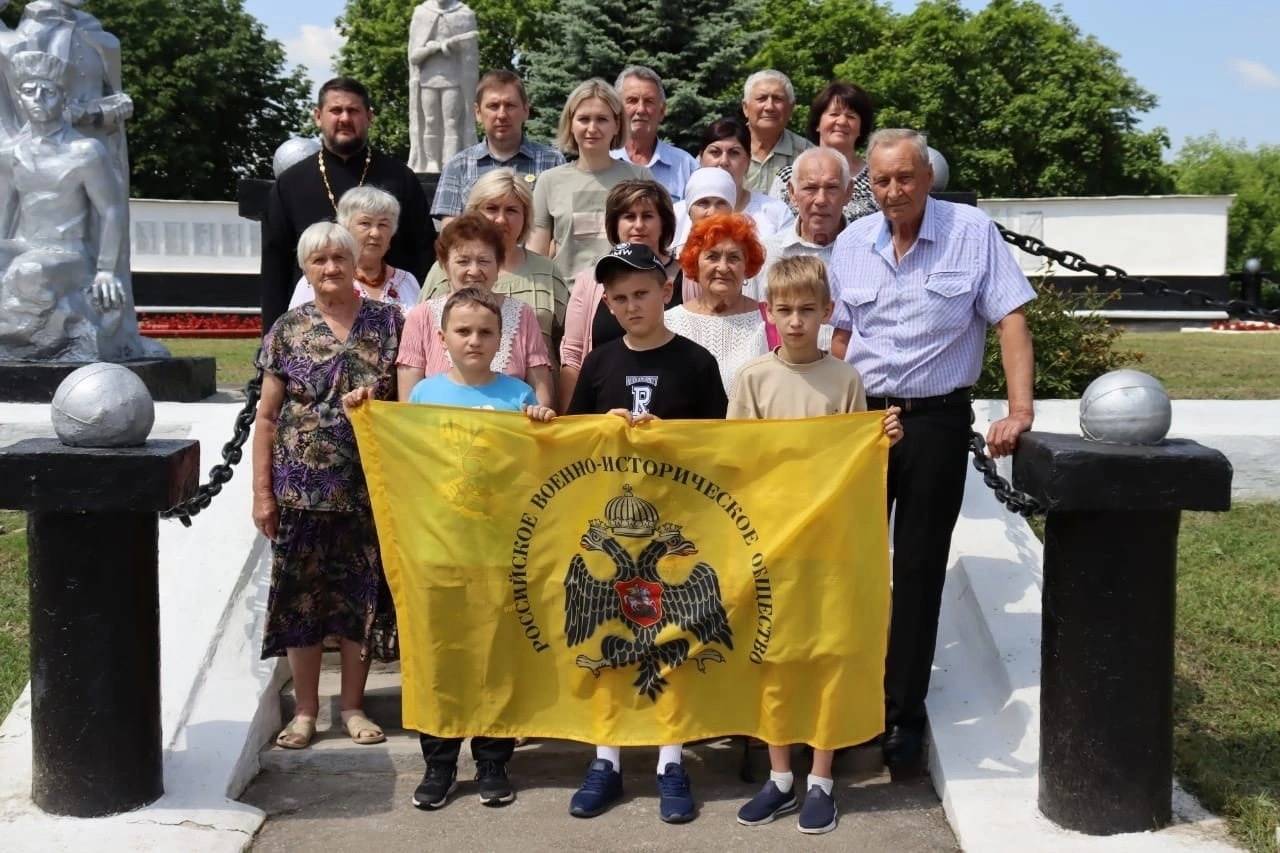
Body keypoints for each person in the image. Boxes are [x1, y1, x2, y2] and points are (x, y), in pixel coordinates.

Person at [829, 128, 1035, 773]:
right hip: (864, 422)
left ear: (927, 178)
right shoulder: (850, 243)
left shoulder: (972, 233)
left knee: (919, 569)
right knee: (853, 567)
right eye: (882, 180)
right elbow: (840, 339)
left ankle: (903, 715)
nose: (894, 191)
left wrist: (1020, 410)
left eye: (905, 178)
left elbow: (1011, 319)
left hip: (936, 421)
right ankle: (852, 702)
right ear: (868, 184)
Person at [343, 286, 553, 810]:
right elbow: (401, 455)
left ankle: (492, 761)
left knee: (495, 656)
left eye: (485, 332)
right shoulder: (423, 396)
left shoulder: (518, 396)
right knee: (438, 655)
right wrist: (364, 412)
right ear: (442, 338)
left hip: (498, 551)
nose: (474, 340)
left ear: (501, 340)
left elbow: (537, 472)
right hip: (437, 548)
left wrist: (543, 430)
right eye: (463, 331)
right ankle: (439, 763)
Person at [730, 255, 902, 834]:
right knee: (775, 656)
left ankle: (822, 778)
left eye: (808, 309)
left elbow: (855, 463)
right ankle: (780, 776)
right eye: (785, 310)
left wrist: (880, 438)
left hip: (829, 546)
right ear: (768, 313)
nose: (797, 320)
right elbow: (736, 460)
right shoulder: (753, 379)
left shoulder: (846, 380)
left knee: (828, 654)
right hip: (773, 543)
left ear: (828, 312)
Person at [565, 242, 727, 824]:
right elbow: (570, 442)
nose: (632, 305)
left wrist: (671, 438)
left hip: (676, 529)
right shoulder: (599, 362)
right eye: (620, 298)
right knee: (607, 640)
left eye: (641, 293)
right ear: (607, 304)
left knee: (670, 642)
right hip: (612, 529)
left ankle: (670, 761)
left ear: (667, 290)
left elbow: (720, 446)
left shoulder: (697, 362)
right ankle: (605, 758)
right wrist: (599, 427)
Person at [252, 221, 403, 753]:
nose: (331, 267)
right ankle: (307, 711)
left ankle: (354, 707)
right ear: (305, 268)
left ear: (355, 261)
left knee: (360, 598)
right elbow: (267, 417)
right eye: (319, 260)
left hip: (370, 490)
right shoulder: (288, 329)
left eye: (340, 257)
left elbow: (407, 400)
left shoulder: (388, 322)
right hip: (300, 491)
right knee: (303, 603)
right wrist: (262, 493)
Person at [261, 77, 432, 333]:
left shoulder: (399, 178)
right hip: (312, 322)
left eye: (353, 110)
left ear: (369, 116)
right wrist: (270, 338)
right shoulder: (290, 184)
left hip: (391, 323)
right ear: (318, 116)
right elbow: (275, 265)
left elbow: (423, 252)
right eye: (336, 110)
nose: (344, 118)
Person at [397, 213, 554, 407]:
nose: (474, 271)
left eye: (484, 261)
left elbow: (541, 396)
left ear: (498, 265)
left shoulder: (523, 314)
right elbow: (409, 405)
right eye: (463, 261)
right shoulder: (421, 316)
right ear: (445, 266)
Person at [557, 179, 679, 412]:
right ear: (615, 223)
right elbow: (572, 356)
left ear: (664, 222)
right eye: (629, 217)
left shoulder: (691, 279)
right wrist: (570, 422)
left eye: (648, 216)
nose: (638, 225)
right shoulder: (590, 281)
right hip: (604, 414)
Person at [421, 168, 568, 361]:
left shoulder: (547, 271)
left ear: (525, 217)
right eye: (491, 208)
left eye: (511, 210)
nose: (501, 219)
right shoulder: (444, 270)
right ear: (474, 212)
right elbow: (422, 333)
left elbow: (567, 344)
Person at [526, 78, 652, 280]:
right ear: (571, 124)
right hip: (566, 294)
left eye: (602, 119)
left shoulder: (640, 177)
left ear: (617, 124)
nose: (592, 128)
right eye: (584, 119)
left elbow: (655, 243)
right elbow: (535, 256)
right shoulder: (549, 181)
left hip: (627, 291)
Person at [431, 70, 565, 223]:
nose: (502, 115)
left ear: (525, 111)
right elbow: (450, 232)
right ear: (478, 112)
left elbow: (562, 225)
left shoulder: (553, 161)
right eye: (493, 106)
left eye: (510, 105)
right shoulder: (458, 166)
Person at [665, 213, 775, 393]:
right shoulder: (668, 323)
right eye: (712, 257)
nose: (723, 268)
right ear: (695, 262)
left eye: (733, 258)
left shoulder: (771, 319)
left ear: (747, 265)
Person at [289, 186, 421, 315]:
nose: (375, 233)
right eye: (365, 223)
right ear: (346, 229)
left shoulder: (407, 281)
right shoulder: (321, 279)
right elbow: (295, 325)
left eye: (383, 224)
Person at [672, 117, 792, 249]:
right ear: (700, 158)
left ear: (748, 161)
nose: (724, 161)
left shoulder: (776, 213)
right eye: (715, 152)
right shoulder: (676, 215)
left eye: (734, 153)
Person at [769, 82, 877, 222]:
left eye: (851, 116)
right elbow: (772, 225)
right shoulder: (788, 177)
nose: (842, 121)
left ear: (861, 127)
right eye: (834, 114)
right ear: (817, 124)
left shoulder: (876, 179)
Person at [758, 147, 855, 287]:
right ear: (792, 192)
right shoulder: (767, 255)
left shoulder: (870, 252)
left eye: (831, 188)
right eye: (810, 188)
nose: (821, 200)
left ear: (848, 192)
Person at [408, 0, 479, 175]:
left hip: (453, 80)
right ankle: (431, 162)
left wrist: (453, 47)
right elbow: (414, 57)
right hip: (427, 80)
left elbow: (469, 55)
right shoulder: (422, 12)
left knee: (451, 122)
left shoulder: (464, 14)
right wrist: (431, 49)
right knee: (430, 121)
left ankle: (450, 161)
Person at [609, 66, 697, 202]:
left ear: (661, 112)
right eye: (632, 100)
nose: (641, 109)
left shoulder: (686, 166)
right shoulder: (602, 161)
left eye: (649, 101)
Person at [742, 70, 812, 193]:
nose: (769, 107)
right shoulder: (723, 151)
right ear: (745, 108)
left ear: (791, 108)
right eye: (761, 98)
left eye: (778, 99)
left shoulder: (808, 154)